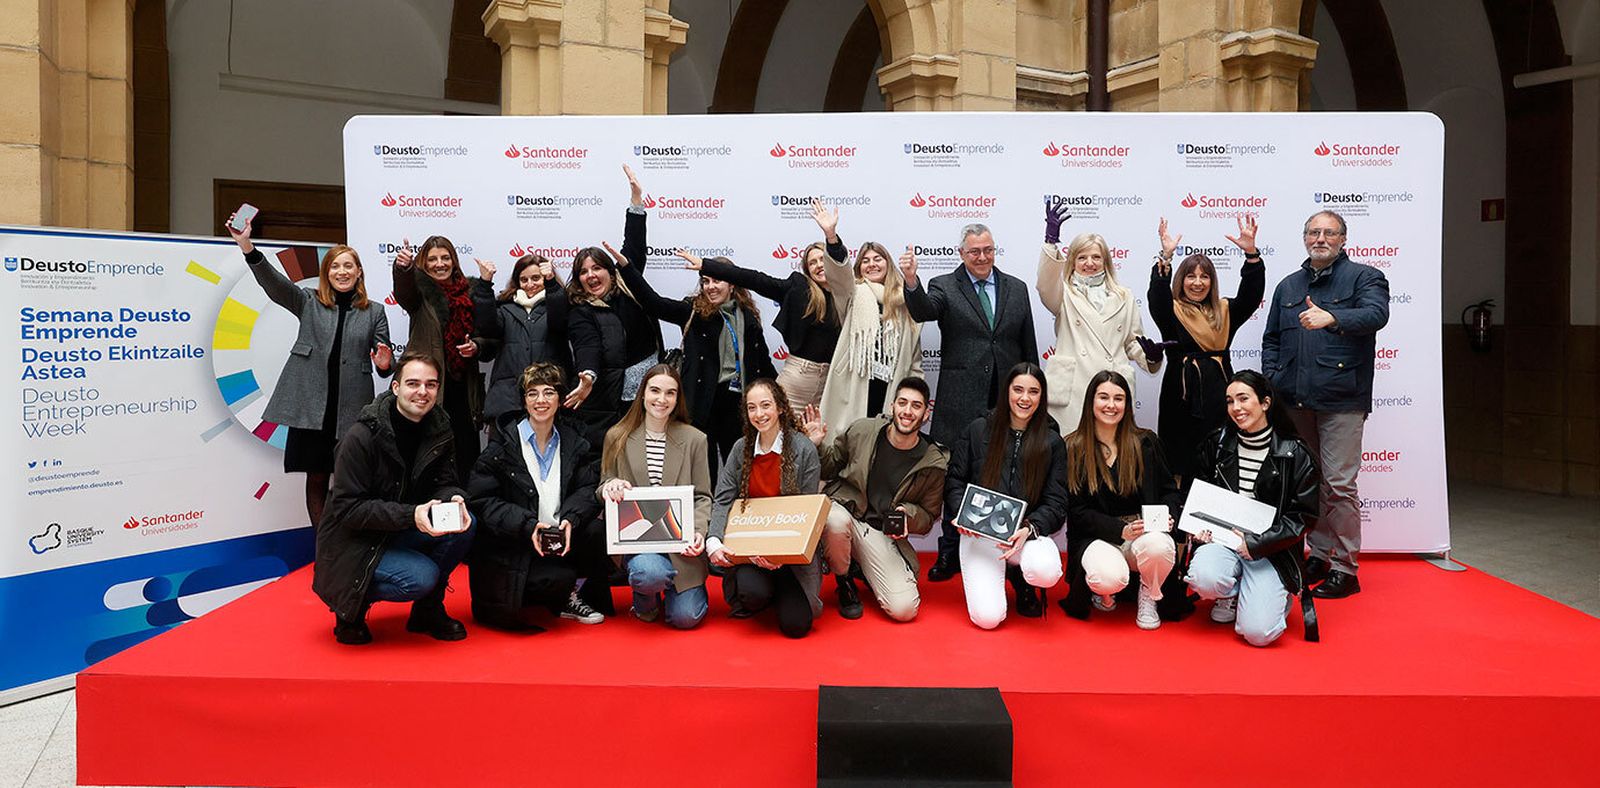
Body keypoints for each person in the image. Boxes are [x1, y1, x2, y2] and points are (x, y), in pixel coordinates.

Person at [226, 212, 392, 527]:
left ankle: (349, 546)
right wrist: (246, 245)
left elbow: (384, 361)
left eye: (348, 265)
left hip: (352, 411)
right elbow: (274, 285)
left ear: (359, 272)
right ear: (326, 272)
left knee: (351, 481)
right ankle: (323, 548)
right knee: (316, 479)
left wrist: (385, 364)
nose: (342, 271)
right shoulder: (308, 301)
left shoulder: (375, 312)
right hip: (311, 410)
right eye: (335, 265)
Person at [1261, 209, 1390, 599]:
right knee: (1309, 482)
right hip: (1295, 402)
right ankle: (1317, 554)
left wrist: (1331, 317)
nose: (1320, 238)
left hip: (1341, 400)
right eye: (1314, 232)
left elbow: (1376, 314)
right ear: (1304, 239)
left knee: (1339, 485)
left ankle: (1346, 568)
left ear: (1342, 239)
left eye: (1329, 233)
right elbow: (1271, 339)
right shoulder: (1288, 286)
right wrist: (1276, 376)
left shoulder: (1365, 277)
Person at [903, 223, 1040, 583]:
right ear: (961, 253)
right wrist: (912, 282)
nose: (982, 258)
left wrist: (1034, 391)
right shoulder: (944, 286)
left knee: (1007, 471)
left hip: (1007, 399)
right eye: (974, 252)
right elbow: (923, 311)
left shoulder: (1017, 288)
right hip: (959, 399)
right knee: (956, 475)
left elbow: (1028, 345)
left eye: (988, 250)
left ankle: (1008, 551)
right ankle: (949, 551)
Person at [313, 352, 473, 645]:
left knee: (467, 524)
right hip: (353, 541)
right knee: (421, 577)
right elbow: (348, 509)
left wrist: (454, 499)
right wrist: (412, 515)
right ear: (395, 387)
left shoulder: (440, 427)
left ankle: (427, 611)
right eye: (413, 383)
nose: (423, 392)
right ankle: (350, 607)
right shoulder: (361, 436)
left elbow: (446, 483)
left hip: (401, 527)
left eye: (431, 384)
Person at [1184, 370, 1321, 646]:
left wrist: (1257, 545)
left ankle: (1264, 596)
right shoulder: (1217, 444)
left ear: (1265, 403)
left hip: (1271, 550)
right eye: (1230, 401)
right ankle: (1232, 593)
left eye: (1243, 399)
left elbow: (1303, 517)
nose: (1236, 408)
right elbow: (1198, 494)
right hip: (1223, 542)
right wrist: (1198, 530)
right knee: (1203, 576)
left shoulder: (1295, 453)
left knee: (1259, 634)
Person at [466, 362, 607, 631]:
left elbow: (588, 489)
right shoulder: (502, 444)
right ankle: (554, 590)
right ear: (524, 400)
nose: (540, 401)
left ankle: (571, 590)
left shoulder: (573, 441)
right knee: (553, 580)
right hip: (518, 541)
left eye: (548, 392)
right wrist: (527, 524)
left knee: (597, 530)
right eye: (532, 393)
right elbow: (481, 499)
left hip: (562, 537)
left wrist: (571, 519)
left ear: (559, 398)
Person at [622, 240, 776, 479]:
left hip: (740, 403)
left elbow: (763, 363)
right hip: (703, 400)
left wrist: (781, 398)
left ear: (732, 283)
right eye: (705, 281)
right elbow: (653, 303)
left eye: (717, 280)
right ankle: (705, 515)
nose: (710, 287)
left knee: (743, 470)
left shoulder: (748, 317)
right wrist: (626, 268)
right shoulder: (693, 311)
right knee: (704, 471)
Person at [802, 376, 948, 622]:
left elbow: (929, 516)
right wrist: (816, 445)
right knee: (834, 521)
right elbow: (829, 467)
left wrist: (908, 516)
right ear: (892, 407)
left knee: (904, 610)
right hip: (846, 513)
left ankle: (863, 568)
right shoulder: (863, 430)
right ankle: (844, 579)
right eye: (902, 403)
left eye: (916, 405)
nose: (908, 411)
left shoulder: (933, 462)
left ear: (925, 413)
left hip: (881, 534)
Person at [1060, 372, 1189, 629]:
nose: (1111, 405)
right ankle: (1105, 590)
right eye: (1104, 397)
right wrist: (1121, 530)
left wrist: (1169, 515)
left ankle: (1149, 593)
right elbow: (1076, 512)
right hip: (1097, 538)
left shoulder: (1146, 442)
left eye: (1119, 398)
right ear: (1090, 402)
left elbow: (1169, 491)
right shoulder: (1073, 447)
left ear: (1127, 405)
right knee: (1108, 577)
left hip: (1143, 537)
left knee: (1160, 546)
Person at [944, 363, 1066, 629]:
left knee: (1047, 570)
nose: (1025, 398)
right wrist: (962, 516)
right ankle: (1001, 575)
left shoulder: (1053, 442)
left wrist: (1031, 528)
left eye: (1033, 392)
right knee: (988, 619)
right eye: (1018, 389)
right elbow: (954, 482)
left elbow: (1056, 503)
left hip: (1023, 536)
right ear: (1006, 392)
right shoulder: (977, 430)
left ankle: (1022, 579)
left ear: (1041, 397)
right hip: (981, 536)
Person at [1147, 216, 1266, 481]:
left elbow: (1251, 296)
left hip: (1219, 395)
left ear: (1212, 282)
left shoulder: (1225, 311)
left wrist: (1251, 255)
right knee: (1178, 462)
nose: (1197, 282)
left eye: (1204, 277)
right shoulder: (1171, 311)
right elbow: (1157, 295)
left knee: (1218, 460)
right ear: (1181, 279)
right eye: (1191, 276)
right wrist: (1165, 258)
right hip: (1180, 396)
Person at [597, 365, 713, 629]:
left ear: (677, 399)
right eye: (655, 391)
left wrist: (698, 531)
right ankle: (645, 599)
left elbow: (704, 496)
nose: (662, 399)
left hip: (681, 545)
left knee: (685, 619)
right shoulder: (617, 437)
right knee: (649, 574)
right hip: (639, 542)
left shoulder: (695, 439)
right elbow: (603, 485)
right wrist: (609, 487)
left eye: (670, 393)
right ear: (642, 394)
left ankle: (679, 591)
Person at [707, 380, 824, 638]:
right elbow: (723, 499)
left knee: (797, 626)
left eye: (765, 405)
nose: (759, 414)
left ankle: (781, 588)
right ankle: (764, 591)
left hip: (791, 554)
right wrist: (713, 540)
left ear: (781, 407)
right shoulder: (741, 449)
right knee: (750, 594)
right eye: (752, 408)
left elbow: (806, 512)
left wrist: (780, 558)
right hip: (751, 550)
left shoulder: (804, 449)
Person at [1036, 200, 1161, 431]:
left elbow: (1132, 343)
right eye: (1082, 257)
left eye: (1096, 257)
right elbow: (1044, 286)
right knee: (1070, 456)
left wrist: (1150, 357)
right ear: (1072, 261)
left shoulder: (1124, 296)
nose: (1089, 263)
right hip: (1074, 389)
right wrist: (1051, 243)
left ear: (1106, 261)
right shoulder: (1063, 293)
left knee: (1110, 453)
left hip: (1111, 387)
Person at [566, 165, 664, 448]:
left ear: (611, 271)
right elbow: (587, 346)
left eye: (597, 268)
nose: (591, 275)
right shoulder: (582, 310)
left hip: (650, 389)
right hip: (612, 398)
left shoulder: (630, 287)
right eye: (584, 272)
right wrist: (587, 375)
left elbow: (633, 246)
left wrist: (636, 200)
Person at [686, 234, 840, 413]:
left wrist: (832, 237)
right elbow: (755, 279)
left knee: (820, 438)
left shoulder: (847, 294)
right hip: (799, 379)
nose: (819, 265)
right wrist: (707, 266)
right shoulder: (799, 288)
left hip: (830, 384)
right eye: (812, 262)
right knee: (784, 437)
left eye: (823, 259)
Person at [812, 201, 924, 435]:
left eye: (878, 258)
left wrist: (917, 396)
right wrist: (831, 237)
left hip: (892, 388)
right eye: (865, 260)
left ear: (888, 263)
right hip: (856, 385)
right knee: (851, 446)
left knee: (884, 445)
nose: (872, 264)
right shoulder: (851, 293)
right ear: (859, 267)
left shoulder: (905, 301)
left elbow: (914, 357)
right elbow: (839, 275)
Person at [393, 234, 488, 484]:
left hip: (463, 389)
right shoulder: (419, 292)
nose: (440, 264)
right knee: (427, 456)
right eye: (432, 259)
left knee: (466, 457)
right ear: (424, 263)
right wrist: (403, 268)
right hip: (430, 389)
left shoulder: (471, 291)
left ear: (453, 261)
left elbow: (487, 336)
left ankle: (465, 515)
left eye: (445, 258)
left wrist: (476, 346)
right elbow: (403, 292)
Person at [472, 253, 572, 428]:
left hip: (549, 401)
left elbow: (559, 323)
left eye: (536, 278)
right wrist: (485, 284)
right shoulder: (505, 307)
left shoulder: (561, 303)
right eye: (524, 280)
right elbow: (486, 327)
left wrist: (551, 284)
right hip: (507, 403)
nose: (530, 284)